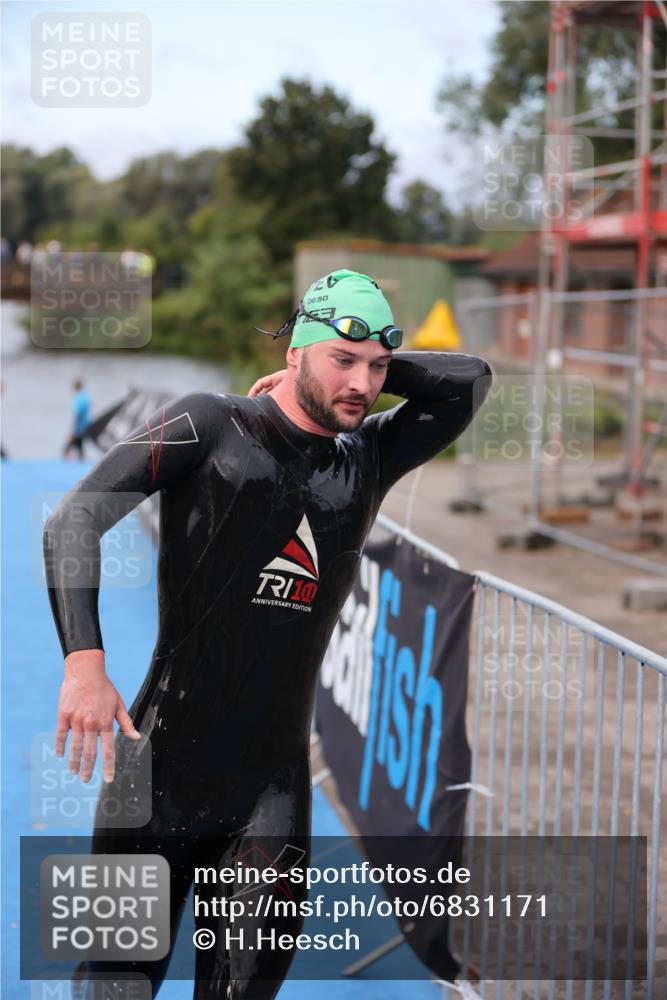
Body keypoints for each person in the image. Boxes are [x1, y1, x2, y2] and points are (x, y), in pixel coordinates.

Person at [43, 269, 492, 999]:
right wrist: (84, 667)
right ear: (292, 353)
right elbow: (74, 521)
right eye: (340, 360)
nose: (363, 382)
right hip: (154, 775)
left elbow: (470, 379)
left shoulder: (369, 457)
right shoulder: (209, 425)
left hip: (269, 796)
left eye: (377, 368)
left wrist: (356, 352)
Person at [63, 379, 91, 459]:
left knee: (67, 448)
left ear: (75, 387)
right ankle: (82, 460)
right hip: (85, 425)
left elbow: (77, 415)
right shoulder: (85, 396)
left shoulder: (79, 398)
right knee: (80, 447)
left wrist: (73, 430)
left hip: (79, 427)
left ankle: (65, 464)